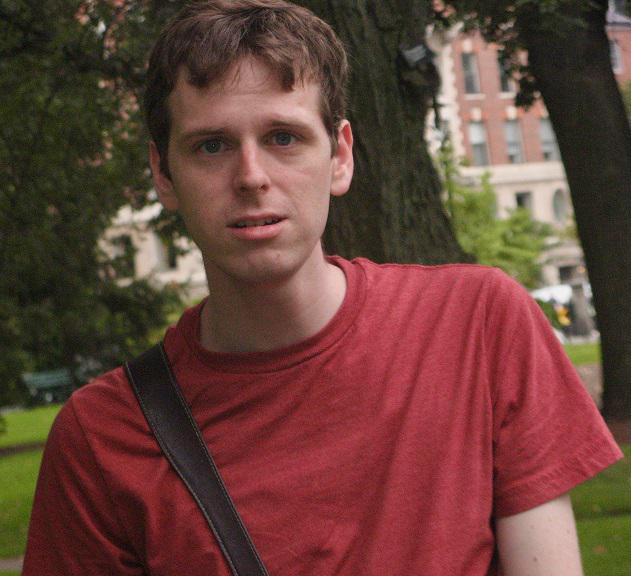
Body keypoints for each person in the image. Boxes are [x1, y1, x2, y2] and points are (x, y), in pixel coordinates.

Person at [23, 1, 622, 574]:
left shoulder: (479, 325)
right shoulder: (103, 439)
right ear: (164, 174)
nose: (252, 177)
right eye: (212, 146)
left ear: (339, 157)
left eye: (283, 138)